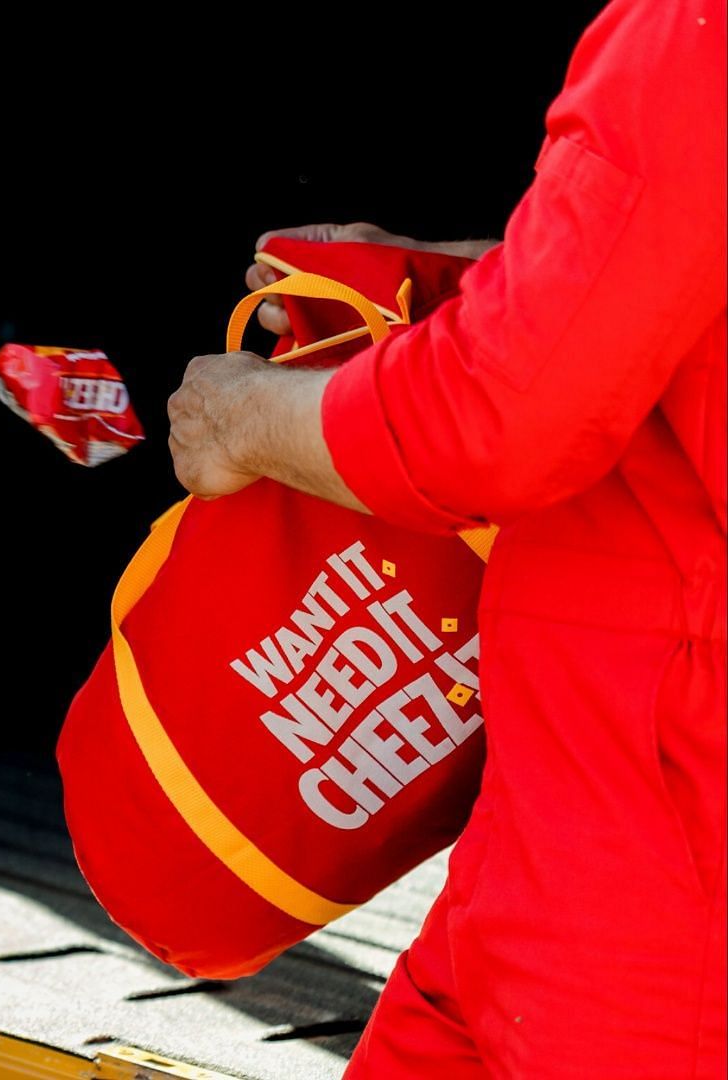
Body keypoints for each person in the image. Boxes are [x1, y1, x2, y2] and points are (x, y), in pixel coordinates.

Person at [163, 1, 725, 1076]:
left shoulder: (697, 30)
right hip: (571, 838)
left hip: (654, 885)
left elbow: (501, 418)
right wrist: (474, 277)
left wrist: (243, 422)